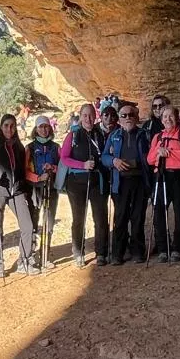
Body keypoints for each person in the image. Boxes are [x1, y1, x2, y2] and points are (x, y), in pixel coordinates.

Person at [60, 103, 108, 268]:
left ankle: (101, 252)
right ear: (80, 117)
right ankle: (78, 252)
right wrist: (83, 165)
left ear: (96, 116)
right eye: (85, 115)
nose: (88, 118)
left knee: (100, 218)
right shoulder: (73, 135)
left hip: (96, 181)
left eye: (91, 115)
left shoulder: (100, 134)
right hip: (76, 183)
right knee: (79, 218)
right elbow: (64, 158)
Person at [0, 114, 36, 276]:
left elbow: (22, 170)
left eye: (12, 126)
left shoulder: (19, 147)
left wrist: (25, 191)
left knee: (27, 226)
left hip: (17, 191)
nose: (9, 129)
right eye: (6, 125)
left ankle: (24, 259)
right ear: (1, 127)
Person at [102, 103, 150, 264]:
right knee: (120, 217)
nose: (127, 118)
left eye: (131, 115)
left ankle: (138, 251)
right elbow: (104, 157)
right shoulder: (114, 135)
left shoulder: (144, 135)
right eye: (124, 115)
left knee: (138, 217)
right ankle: (118, 253)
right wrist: (114, 161)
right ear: (119, 119)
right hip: (120, 182)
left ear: (136, 117)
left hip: (139, 181)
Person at [149, 102, 180, 260]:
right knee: (158, 211)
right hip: (162, 175)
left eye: (171, 116)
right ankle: (163, 247)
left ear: (177, 118)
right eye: (165, 116)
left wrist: (168, 152)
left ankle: (179, 246)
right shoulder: (158, 137)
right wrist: (158, 151)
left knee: (179, 210)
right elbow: (150, 159)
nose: (167, 119)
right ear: (161, 119)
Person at [25, 116, 61, 269]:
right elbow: (24, 170)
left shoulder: (56, 147)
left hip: (51, 188)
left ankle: (45, 254)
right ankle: (31, 255)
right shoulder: (30, 148)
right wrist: (38, 177)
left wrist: (53, 168)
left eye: (46, 126)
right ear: (36, 129)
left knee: (49, 222)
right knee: (33, 221)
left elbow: (63, 167)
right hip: (34, 189)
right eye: (41, 127)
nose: (44, 129)